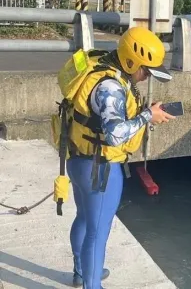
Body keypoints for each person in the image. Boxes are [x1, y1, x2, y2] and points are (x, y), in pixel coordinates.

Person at [55, 27, 175, 289]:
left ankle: (82, 272)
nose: (145, 77)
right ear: (131, 61)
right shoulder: (111, 88)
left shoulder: (103, 66)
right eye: (145, 70)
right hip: (100, 168)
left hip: (78, 157)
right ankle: (92, 283)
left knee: (85, 219)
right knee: (98, 233)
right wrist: (147, 117)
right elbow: (115, 135)